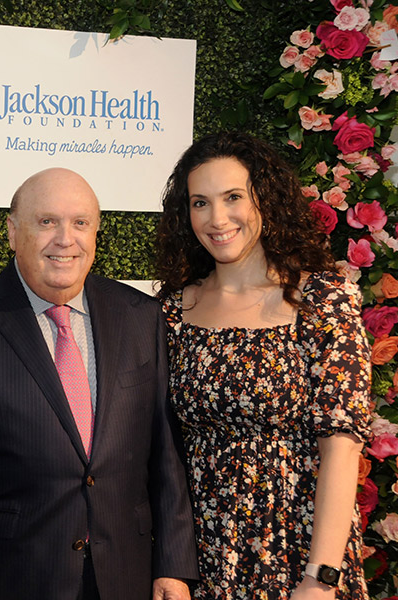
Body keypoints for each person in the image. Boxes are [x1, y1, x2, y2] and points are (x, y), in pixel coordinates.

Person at [0, 167, 199, 600]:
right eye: (47, 221)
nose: (65, 239)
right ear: (13, 232)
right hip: (10, 578)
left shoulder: (141, 316)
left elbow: (165, 454)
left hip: (126, 575)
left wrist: (174, 565)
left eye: (80, 223)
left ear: (96, 233)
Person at [156, 131, 372, 599]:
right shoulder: (172, 311)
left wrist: (321, 578)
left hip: (299, 550)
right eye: (199, 203)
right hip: (200, 557)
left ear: (265, 200)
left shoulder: (322, 301)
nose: (217, 219)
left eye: (233, 197)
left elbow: (342, 448)